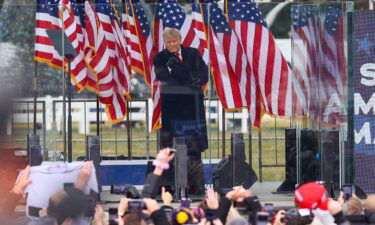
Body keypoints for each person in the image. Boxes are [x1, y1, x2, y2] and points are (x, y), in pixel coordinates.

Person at [153, 27, 209, 195]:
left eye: (174, 41)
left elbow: (204, 75)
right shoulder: (160, 58)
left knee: (194, 146)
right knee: (170, 147)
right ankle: (169, 186)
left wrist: (192, 78)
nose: (171, 45)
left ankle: (196, 186)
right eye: (168, 42)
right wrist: (181, 73)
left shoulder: (193, 54)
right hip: (173, 110)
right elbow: (163, 78)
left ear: (180, 40)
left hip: (193, 108)